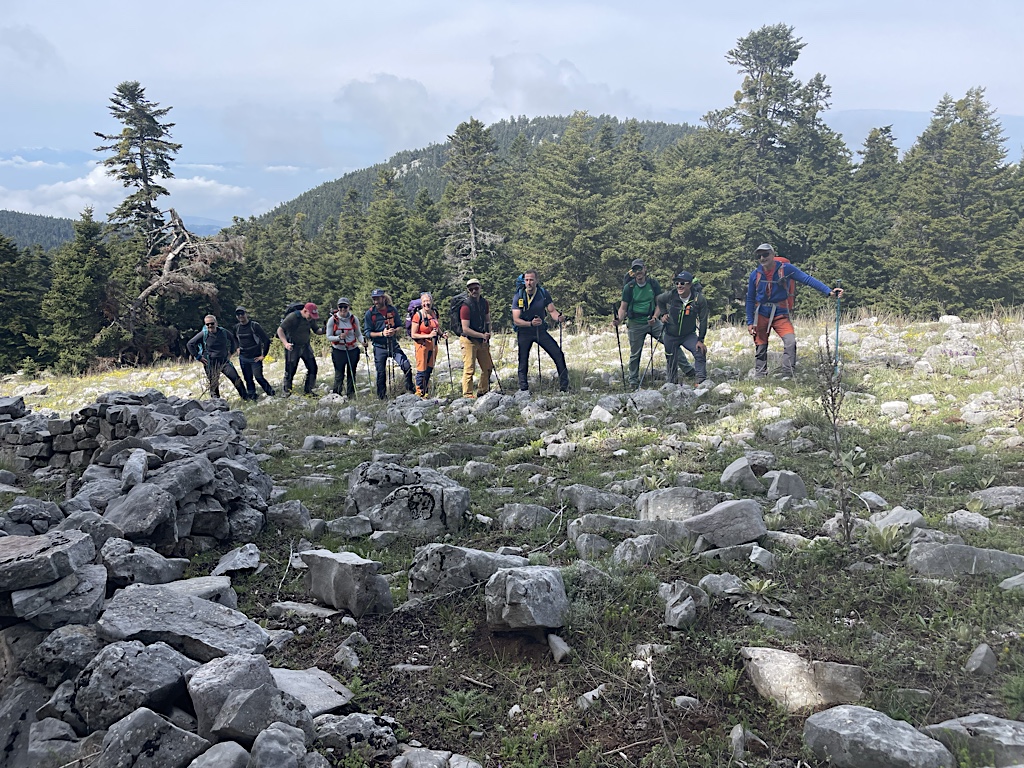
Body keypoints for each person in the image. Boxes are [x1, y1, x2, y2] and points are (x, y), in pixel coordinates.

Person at [746, 243, 843, 378]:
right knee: (761, 344)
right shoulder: (754, 275)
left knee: (790, 342)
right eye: (759, 256)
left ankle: (788, 374)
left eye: (765, 254)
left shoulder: (786, 269)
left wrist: (829, 292)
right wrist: (750, 322)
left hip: (780, 313)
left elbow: (807, 279)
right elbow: (750, 299)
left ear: (773, 255)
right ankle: (760, 374)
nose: (762, 258)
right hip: (761, 313)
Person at [614, 258, 677, 388]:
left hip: (653, 321)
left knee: (670, 342)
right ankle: (633, 381)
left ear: (645, 269)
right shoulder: (629, 288)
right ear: (633, 272)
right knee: (635, 353)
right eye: (635, 269)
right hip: (635, 323)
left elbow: (659, 303)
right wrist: (618, 320)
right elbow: (623, 308)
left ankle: (687, 370)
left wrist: (655, 317)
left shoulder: (653, 284)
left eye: (640, 268)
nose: (638, 272)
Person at [511, 269, 569, 392]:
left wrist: (559, 318)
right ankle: (523, 389)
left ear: (536, 280)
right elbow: (516, 320)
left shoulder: (543, 293)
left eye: (531, 280)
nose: (529, 282)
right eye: (527, 280)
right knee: (523, 360)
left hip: (540, 330)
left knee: (558, 354)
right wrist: (530, 324)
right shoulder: (519, 296)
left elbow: (552, 311)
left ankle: (564, 387)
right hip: (524, 331)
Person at [656, 271, 709, 385]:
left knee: (699, 351)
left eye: (682, 283)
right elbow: (659, 299)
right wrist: (663, 314)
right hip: (670, 334)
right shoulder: (671, 295)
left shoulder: (699, 299)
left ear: (689, 284)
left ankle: (701, 380)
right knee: (671, 359)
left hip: (688, 335)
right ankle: (672, 383)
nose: (679, 286)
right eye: (677, 283)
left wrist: (701, 340)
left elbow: (703, 320)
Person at [364, 288, 415, 399]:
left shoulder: (392, 310)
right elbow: (367, 333)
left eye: (377, 299)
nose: (376, 302)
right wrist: (382, 333)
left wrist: (394, 331)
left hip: (393, 345)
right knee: (381, 373)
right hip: (379, 347)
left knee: (406, 365)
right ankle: (382, 397)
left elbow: (400, 326)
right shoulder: (370, 313)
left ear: (383, 298)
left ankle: (410, 389)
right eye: (374, 299)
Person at [186, 315, 248, 401]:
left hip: (224, 361)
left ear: (216, 323)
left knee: (236, 379)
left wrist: (231, 352)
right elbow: (190, 344)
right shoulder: (203, 334)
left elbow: (234, 339)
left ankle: (246, 398)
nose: (210, 326)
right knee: (214, 384)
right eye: (207, 324)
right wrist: (198, 357)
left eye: (212, 323)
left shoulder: (223, 332)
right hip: (210, 363)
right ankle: (217, 403)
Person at [276, 302, 323, 396]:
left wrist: (327, 329)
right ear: (305, 311)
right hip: (293, 347)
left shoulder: (311, 319)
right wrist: (286, 343)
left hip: (305, 346)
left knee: (313, 368)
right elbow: (280, 330)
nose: (311, 318)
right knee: (290, 370)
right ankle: (286, 393)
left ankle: (308, 391)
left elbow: (317, 330)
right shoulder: (293, 317)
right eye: (310, 315)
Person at [459, 278, 494, 398]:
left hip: (481, 339)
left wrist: (488, 333)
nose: (474, 291)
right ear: (468, 291)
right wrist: (482, 335)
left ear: (480, 288)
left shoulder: (484, 303)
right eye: (471, 289)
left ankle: (482, 391)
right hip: (468, 340)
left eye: (476, 288)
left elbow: (487, 320)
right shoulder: (465, 306)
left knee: (488, 367)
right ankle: (467, 395)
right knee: (469, 369)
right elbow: (465, 328)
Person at [233, 307, 275, 399]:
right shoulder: (236, 327)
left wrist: (263, 355)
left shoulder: (254, 326)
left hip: (255, 357)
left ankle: (271, 392)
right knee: (248, 378)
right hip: (243, 357)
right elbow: (234, 338)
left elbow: (266, 340)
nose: (240, 316)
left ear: (246, 314)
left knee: (258, 377)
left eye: (242, 313)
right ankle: (252, 396)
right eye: (238, 314)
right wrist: (237, 347)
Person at [326, 297, 363, 397]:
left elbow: (358, 334)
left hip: (353, 350)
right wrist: (338, 337)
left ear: (348, 307)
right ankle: (336, 395)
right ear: (338, 307)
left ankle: (351, 394)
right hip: (338, 350)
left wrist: (363, 341)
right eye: (340, 306)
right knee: (339, 374)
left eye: (345, 307)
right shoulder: (332, 320)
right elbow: (329, 337)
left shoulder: (353, 319)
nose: (343, 309)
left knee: (352, 372)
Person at [409, 292, 443, 397]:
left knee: (429, 369)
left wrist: (442, 334)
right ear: (421, 303)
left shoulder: (434, 313)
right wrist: (428, 335)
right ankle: (419, 392)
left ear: (431, 302)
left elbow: (436, 327)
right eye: (424, 301)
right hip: (422, 346)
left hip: (433, 345)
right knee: (421, 369)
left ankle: (425, 390)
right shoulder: (417, 315)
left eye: (428, 301)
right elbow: (413, 334)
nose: (426, 303)